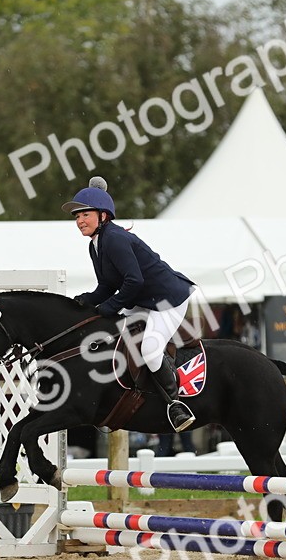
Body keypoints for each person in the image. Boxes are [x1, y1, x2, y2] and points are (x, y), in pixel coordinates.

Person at [64, 176, 197, 432]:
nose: (79, 221)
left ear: (103, 215)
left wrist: (109, 306)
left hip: (168, 299)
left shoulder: (114, 238)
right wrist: (87, 301)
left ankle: (175, 404)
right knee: (111, 334)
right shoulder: (96, 245)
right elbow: (107, 286)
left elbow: (133, 281)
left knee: (148, 348)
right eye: (77, 217)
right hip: (142, 300)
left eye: (85, 215)